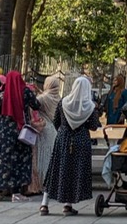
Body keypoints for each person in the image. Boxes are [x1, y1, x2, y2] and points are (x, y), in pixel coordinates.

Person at [39, 76, 101, 216]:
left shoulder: (63, 103)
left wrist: (64, 131)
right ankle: (68, 205)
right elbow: (93, 126)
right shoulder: (90, 107)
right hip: (81, 141)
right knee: (74, 172)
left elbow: (56, 122)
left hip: (63, 139)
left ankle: (44, 204)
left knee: (56, 170)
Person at [0, 69, 38, 201]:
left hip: (3, 133)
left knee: (2, 160)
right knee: (20, 160)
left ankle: (0, 191)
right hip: (20, 131)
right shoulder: (25, 92)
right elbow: (37, 105)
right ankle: (17, 192)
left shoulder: (2, 96)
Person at [31, 75, 63, 191]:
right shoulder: (59, 98)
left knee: (41, 158)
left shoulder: (43, 98)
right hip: (53, 130)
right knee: (50, 158)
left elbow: (33, 105)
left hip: (42, 129)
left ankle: (41, 183)